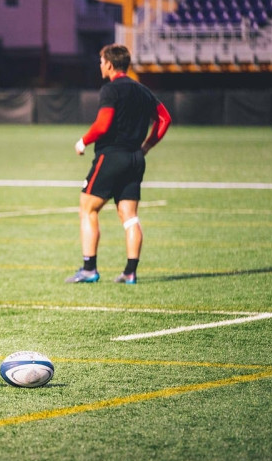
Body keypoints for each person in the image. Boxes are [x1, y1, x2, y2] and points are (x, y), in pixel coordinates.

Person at [66, 44, 172, 285]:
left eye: (102, 61)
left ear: (110, 64)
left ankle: (89, 269)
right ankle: (130, 272)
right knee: (130, 217)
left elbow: (103, 125)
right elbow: (165, 118)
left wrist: (83, 141)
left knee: (88, 208)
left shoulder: (111, 89)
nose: (100, 65)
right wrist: (147, 146)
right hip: (136, 158)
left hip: (112, 156)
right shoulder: (143, 90)